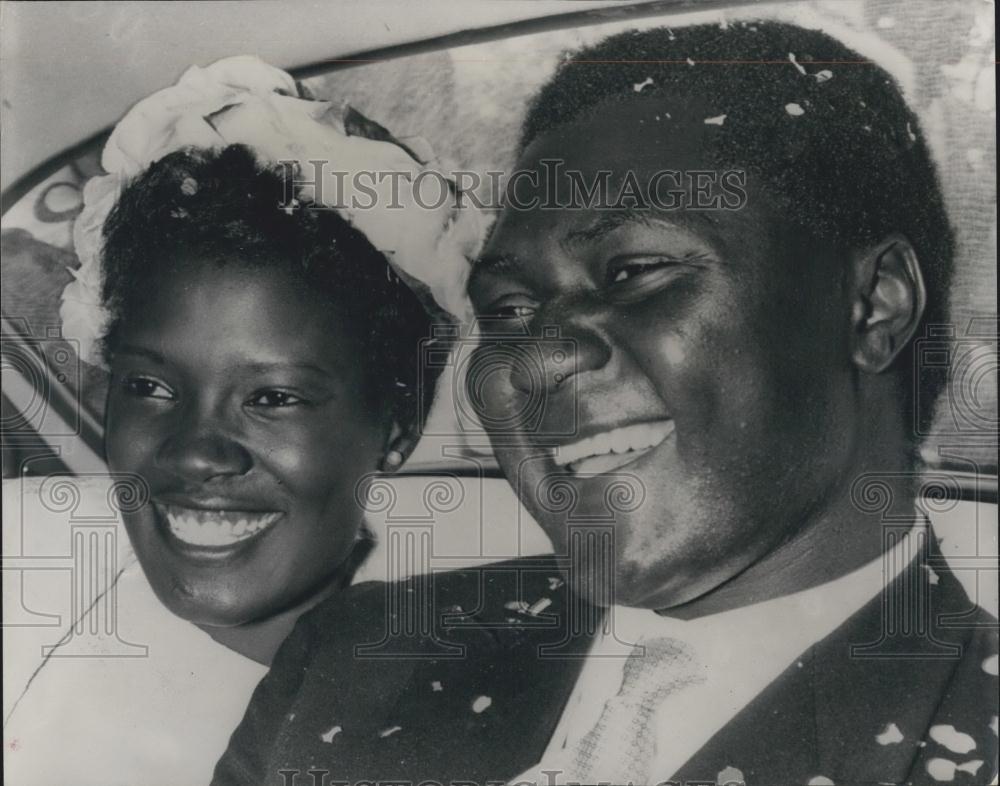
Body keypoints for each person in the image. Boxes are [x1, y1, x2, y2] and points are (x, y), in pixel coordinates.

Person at [214, 22, 998, 786]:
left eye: (635, 271)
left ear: (873, 307)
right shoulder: (354, 655)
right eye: (510, 310)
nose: (538, 359)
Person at [4, 56, 481, 786]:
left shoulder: (461, 714)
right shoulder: (29, 587)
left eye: (274, 398)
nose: (197, 453)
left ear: (396, 428)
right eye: (151, 386)